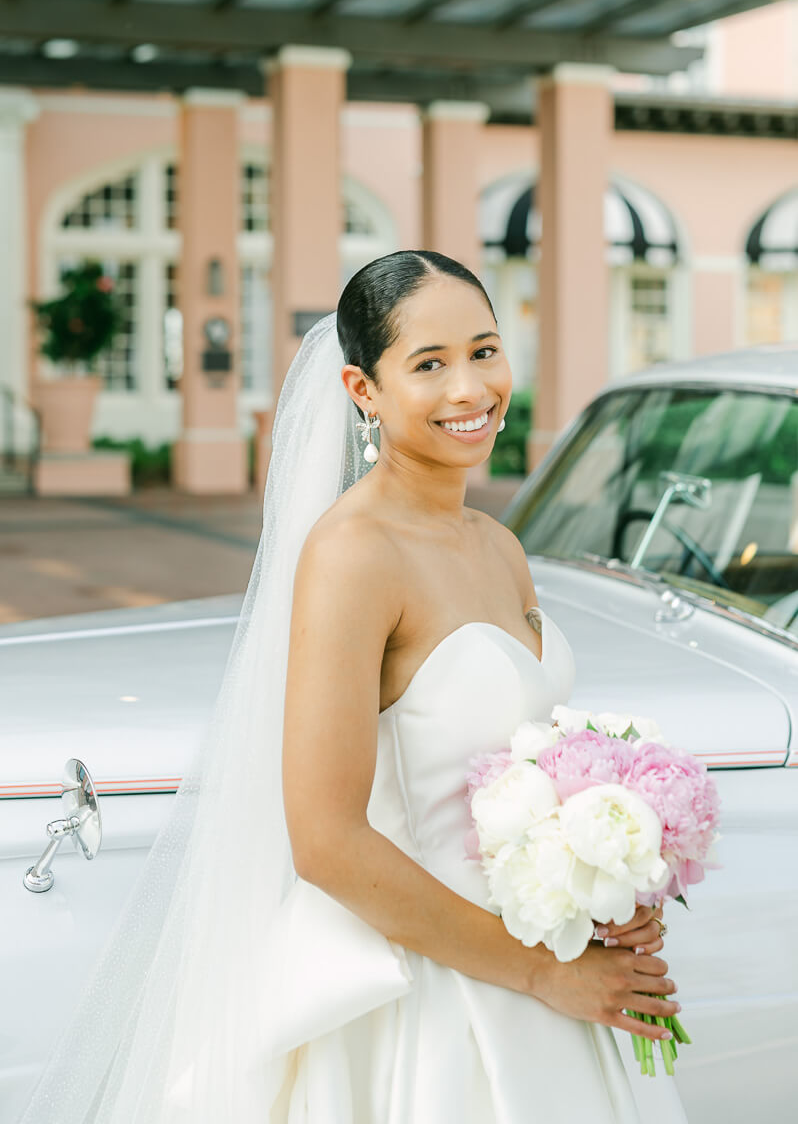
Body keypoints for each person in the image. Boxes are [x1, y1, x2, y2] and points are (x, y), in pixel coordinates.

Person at [18, 250, 687, 1123]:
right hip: (425, 991)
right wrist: (541, 973)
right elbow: (326, 841)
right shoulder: (352, 555)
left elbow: (530, 772)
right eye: (429, 364)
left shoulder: (498, 544)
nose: (470, 389)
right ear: (363, 390)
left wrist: (604, 894)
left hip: (548, 965)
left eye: (484, 351)